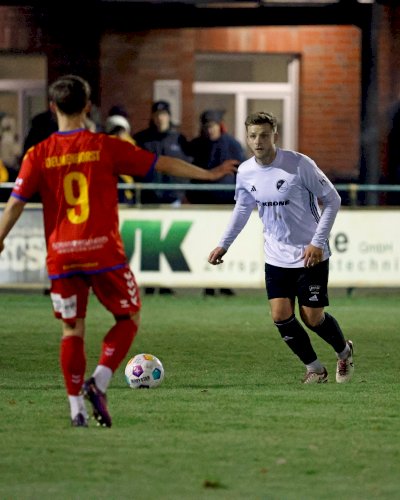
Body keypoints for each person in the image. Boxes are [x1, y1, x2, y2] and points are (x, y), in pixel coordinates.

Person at [0, 74, 237, 428]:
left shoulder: (38, 154)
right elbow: (161, 164)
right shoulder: (104, 146)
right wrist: (208, 174)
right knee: (128, 318)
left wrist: (0, 236)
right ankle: (100, 381)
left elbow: (15, 204)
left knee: (72, 330)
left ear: (53, 109)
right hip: (103, 253)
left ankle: (75, 411)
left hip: (62, 256)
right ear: (87, 106)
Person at [208, 111, 354, 384]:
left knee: (312, 317)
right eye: (253, 136)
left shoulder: (299, 165)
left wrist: (317, 242)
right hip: (276, 255)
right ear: (247, 138)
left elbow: (332, 200)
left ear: (275, 135)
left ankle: (343, 352)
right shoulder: (246, 171)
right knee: (280, 315)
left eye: (264, 135)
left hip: (310, 253)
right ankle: (314, 368)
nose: (258, 141)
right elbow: (242, 209)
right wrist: (223, 244)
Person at [133, 100, 193, 296]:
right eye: (157, 115)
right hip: (150, 198)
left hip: (171, 199)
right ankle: (151, 284)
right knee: (151, 241)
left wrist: (180, 190)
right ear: (152, 117)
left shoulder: (179, 139)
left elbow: (187, 166)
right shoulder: (142, 139)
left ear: (169, 116)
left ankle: (165, 283)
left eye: (163, 114)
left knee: (169, 241)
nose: (160, 118)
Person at [187, 109, 246, 297]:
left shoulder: (233, 146)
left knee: (226, 244)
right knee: (207, 244)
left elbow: (244, 174)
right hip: (204, 205)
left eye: (212, 126)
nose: (210, 130)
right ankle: (209, 284)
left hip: (225, 205)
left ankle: (224, 282)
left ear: (219, 125)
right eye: (207, 127)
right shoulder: (196, 145)